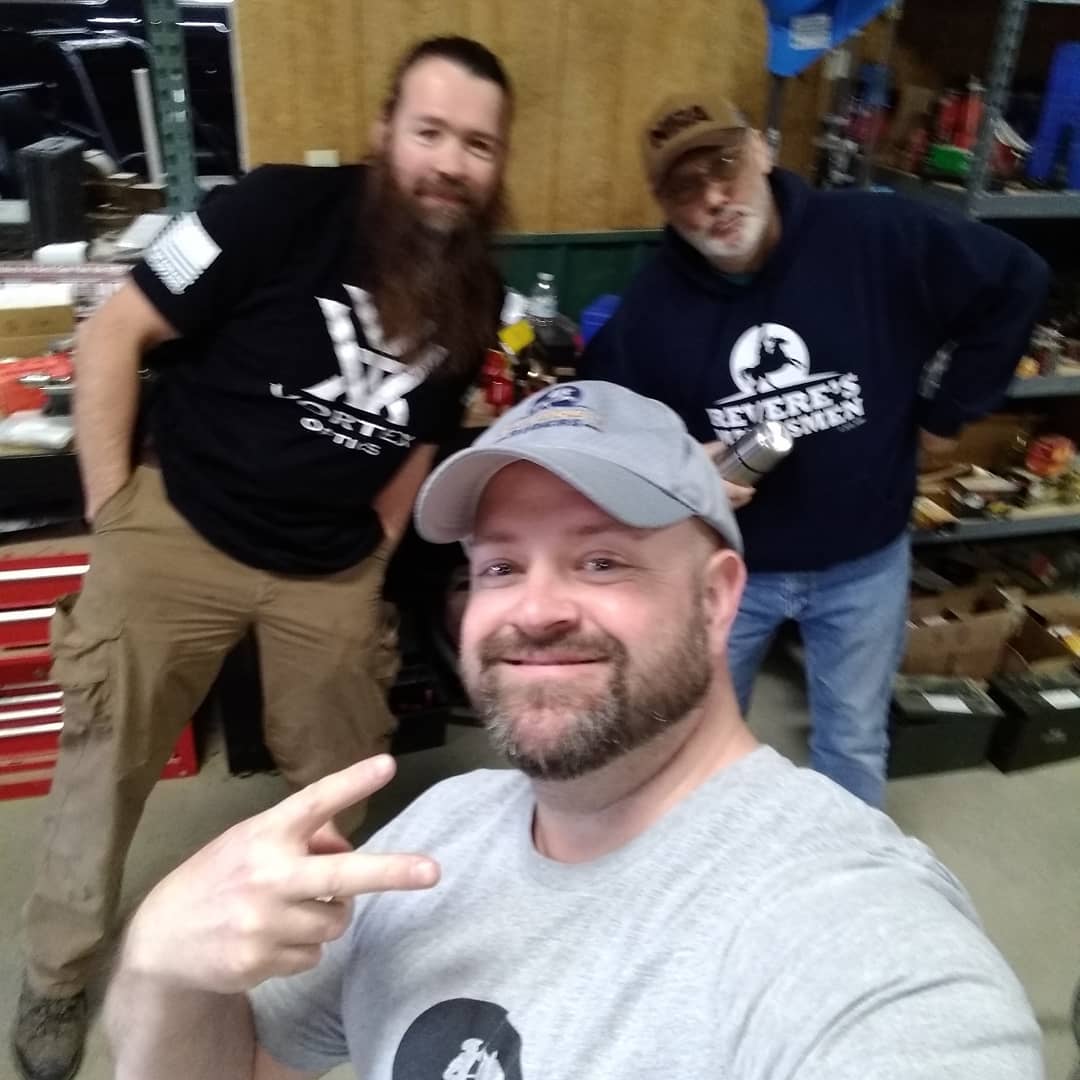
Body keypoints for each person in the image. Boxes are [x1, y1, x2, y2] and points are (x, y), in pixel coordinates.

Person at [104, 381, 1041, 1079]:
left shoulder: (846, 929)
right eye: (500, 567)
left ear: (716, 600)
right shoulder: (440, 832)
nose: (534, 610)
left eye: (601, 561)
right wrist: (160, 967)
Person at [13, 35, 512, 1080]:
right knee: (104, 767)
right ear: (386, 131)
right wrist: (115, 516)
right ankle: (56, 975)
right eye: (430, 132)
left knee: (340, 772)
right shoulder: (275, 207)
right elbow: (115, 334)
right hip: (179, 527)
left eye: (477, 144)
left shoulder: (475, 286)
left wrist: (377, 550)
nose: (450, 163)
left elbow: (423, 437)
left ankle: (313, 968)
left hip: (327, 567)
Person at [579, 94, 1050, 809]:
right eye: (684, 187)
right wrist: (677, 466)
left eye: (725, 165)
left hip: (865, 561)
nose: (713, 198)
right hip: (731, 571)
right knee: (694, 745)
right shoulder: (650, 307)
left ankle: (843, 872)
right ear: (663, 205)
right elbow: (597, 422)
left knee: (853, 741)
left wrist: (949, 413)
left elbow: (1017, 279)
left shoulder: (874, 234)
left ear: (763, 151)